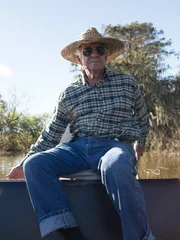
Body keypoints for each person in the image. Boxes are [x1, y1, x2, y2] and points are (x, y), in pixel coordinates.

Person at [7, 27, 155, 240]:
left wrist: (140, 143)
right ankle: (70, 232)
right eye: (87, 51)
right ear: (79, 59)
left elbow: (142, 118)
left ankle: (139, 236)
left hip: (113, 145)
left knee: (116, 165)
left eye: (99, 49)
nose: (94, 53)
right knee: (36, 165)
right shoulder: (69, 93)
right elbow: (52, 133)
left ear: (106, 55)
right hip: (77, 148)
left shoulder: (127, 83)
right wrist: (25, 161)